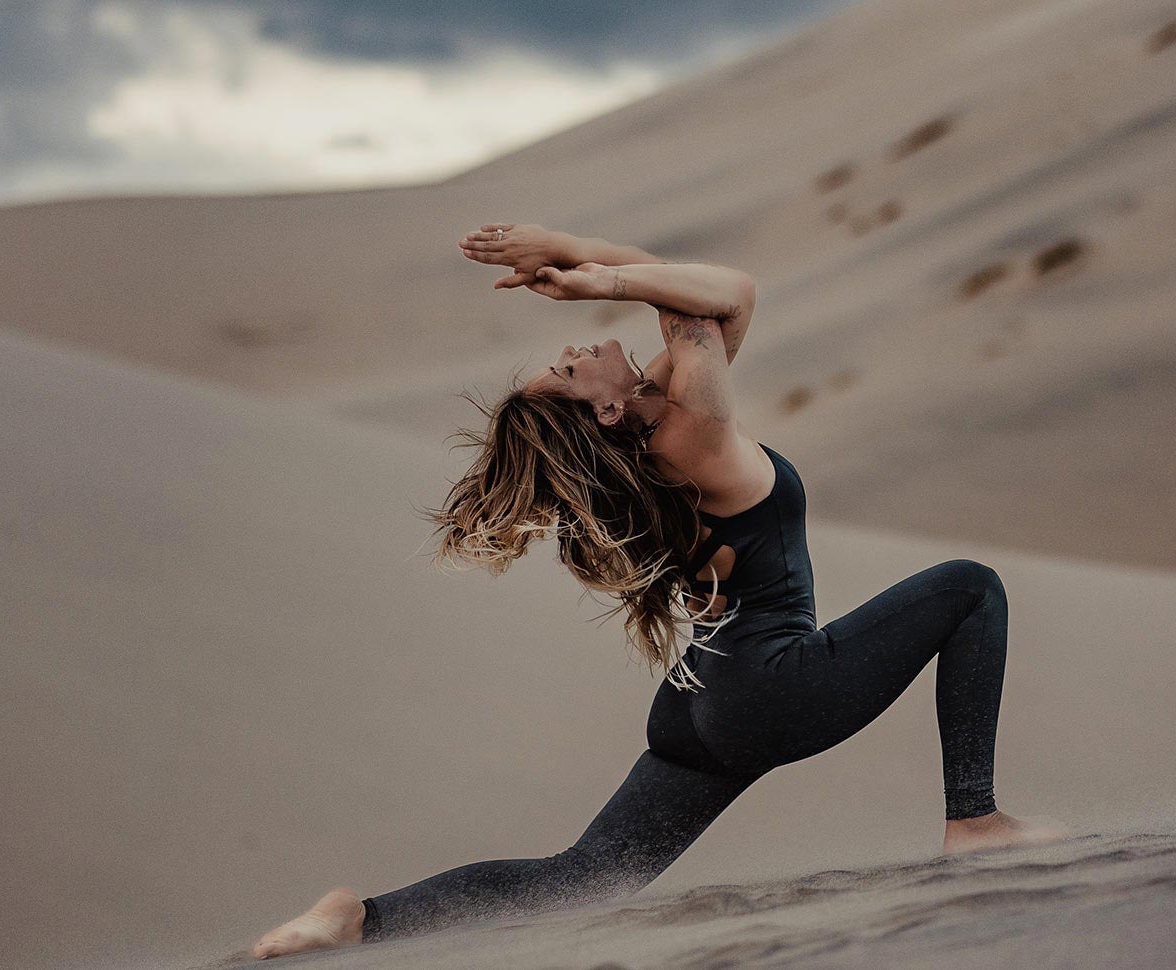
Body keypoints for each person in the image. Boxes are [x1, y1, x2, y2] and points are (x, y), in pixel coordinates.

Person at [250, 224, 1067, 959]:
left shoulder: (664, 438)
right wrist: (597, 278)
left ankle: (363, 919)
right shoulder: (695, 431)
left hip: (700, 702)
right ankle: (976, 820)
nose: (573, 350)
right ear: (606, 409)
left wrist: (566, 248)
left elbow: (674, 291)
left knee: (587, 874)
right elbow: (727, 296)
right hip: (770, 684)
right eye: (567, 370)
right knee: (970, 588)